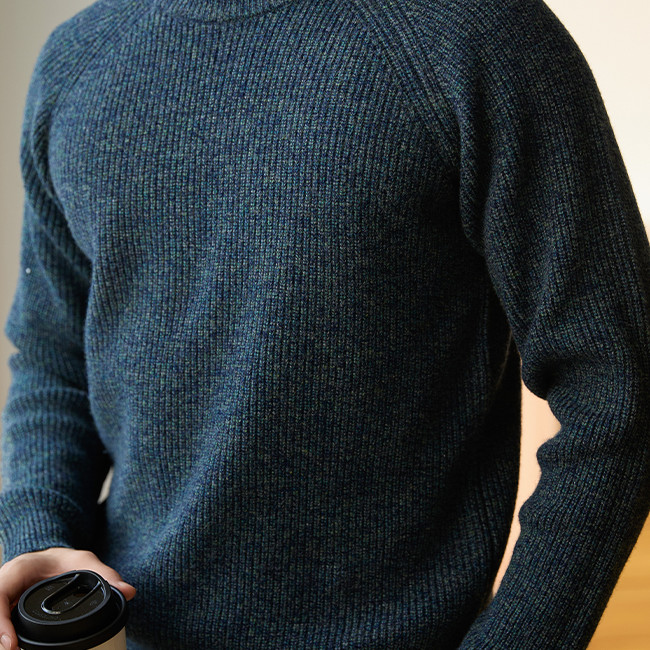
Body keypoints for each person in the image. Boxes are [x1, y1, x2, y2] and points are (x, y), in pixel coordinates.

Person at [1, 0, 649, 648]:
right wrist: (36, 531)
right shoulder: (78, 61)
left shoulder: (476, 34)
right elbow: (55, 360)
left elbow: (619, 385)